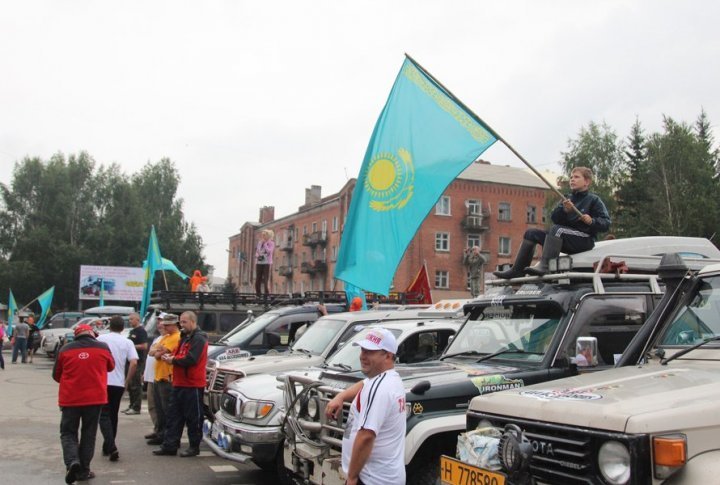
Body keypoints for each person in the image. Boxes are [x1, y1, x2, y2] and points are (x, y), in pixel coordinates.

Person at [494, 167, 611, 279]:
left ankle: (545, 266)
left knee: (557, 229)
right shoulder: (567, 199)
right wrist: (564, 210)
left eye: (576, 177)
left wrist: (592, 221)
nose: (572, 179)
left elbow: (606, 223)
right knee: (531, 233)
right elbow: (555, 218)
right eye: (571, 177)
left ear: (586, 182)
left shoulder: (594, 200)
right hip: (564, 238)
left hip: (584, 240)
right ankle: (517, 270)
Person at [325, 328, 406, 485]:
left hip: (372, 479)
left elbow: (366, 436)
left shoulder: (380, 387)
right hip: (383, 477)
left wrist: (352, 478)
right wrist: (340, 397)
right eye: (363, 349)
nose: (363, 356)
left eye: (370, 351)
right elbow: (364, 383)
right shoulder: (387, 379)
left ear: (388, 356)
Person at [53, 323, 115, 484]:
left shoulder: (65, 349)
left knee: (68, 432)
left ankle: (72, 461)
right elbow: (111, 367)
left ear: (76, 335)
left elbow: (56, 375)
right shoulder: (103, 347)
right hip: (95, 399)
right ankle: (84, 470)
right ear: (91, 333)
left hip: (70, 399)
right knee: (89, 433)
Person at [153, 311, 208, 458]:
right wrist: (171, 357)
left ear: (193, 322)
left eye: (184, 322)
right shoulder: (185, 337)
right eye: (181, 322)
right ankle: (170, 445)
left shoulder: (199, 338)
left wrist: (172, 360)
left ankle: (194, 447)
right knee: (173, 416)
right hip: (179, 382)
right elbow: (179, 354)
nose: (181, 325)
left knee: (193, 417)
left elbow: (192, 359)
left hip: (192, 384)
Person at [97, 316, 139, 462]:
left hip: (102, 381)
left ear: (109, 326)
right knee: (113, 415)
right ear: (123, 328)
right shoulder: (128, 342)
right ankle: (108, 444)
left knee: (103, 414)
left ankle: (110, 445)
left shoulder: (101, 339)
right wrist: (127, 381)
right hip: (118, 383)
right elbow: (133, 363)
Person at [147, 314, 182, 446]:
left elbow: (158, 353)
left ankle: (170, 439)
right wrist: (158, 351)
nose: (164, 326)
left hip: (167, 378)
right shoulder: (166, 337)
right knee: (160, 410)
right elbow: (152, 352)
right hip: (159, 376)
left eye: (167, 325)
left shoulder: (175, 337)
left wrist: (158, 351)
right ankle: (162, 435)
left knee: (168, 411)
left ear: (174, 324)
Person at [143, 322, 166, 440]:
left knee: (160, 407)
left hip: (159, 377)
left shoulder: (167, 339)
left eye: (163, 324)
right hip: (151, 377)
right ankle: (157, 429)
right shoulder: (158, 338)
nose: (160, 326)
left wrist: (154, 351)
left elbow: (154, 353)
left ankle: (161, 432)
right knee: (152, 406)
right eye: (159, 324)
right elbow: (150, 352)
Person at [124, 312, 148, 415]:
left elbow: (144, 346)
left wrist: (131, 346)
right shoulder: (132, 331)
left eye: (132, 319)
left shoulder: (141, 331)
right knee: (130, 384)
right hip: (129, 360)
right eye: (129, 319)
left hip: (138, 361)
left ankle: (136, 407)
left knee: (136, 384)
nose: (130, 321)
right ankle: (131, 405)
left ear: (137, 320)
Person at [255, 229, 275, 298]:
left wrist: (265, 244)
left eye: (264, 235)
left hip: (267, 263)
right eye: (262, 235)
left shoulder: (271, 243)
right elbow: (257, 251)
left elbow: (269, 252)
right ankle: (258, 294)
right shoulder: (260, 243)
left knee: (266, 279)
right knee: (258, 279)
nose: (263, 236)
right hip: (259, 262)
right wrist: (258, 255)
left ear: (268, 236)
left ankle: (267, 295)